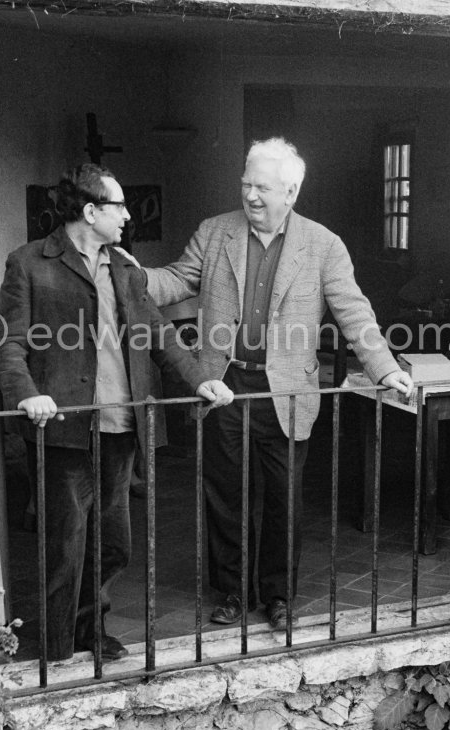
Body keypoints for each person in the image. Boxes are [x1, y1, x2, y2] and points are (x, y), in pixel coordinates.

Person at [144, 137, 414, 631]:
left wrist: (385, 366)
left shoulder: (323, 244)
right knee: (224, 495)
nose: (250, 195)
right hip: (222, 385)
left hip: (287, 393)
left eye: (261, 187)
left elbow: (353, 311)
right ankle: (230, 590)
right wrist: (129, 277)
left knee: (283, 499)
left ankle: (278, 596)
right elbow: (177, 280)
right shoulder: (216, 232)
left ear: (290, 191)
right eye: (246, 183)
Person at [0, 163, 233, 661]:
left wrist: (199, 379)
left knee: (114, 544)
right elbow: (8, 345)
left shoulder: (124, 267)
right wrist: (26, 394)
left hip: (122, 429)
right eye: (118, 206)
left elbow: (160, 335)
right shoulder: (30, 263)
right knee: (65, 549)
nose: (127, 215)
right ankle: (56, 651)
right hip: (63, 431)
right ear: (89, 210)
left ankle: (88, 630)